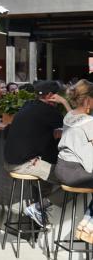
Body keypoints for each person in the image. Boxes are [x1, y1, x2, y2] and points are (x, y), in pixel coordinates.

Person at [4, 80, 71, 227]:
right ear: (51, 96)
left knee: (47, 168)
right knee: (71, 181)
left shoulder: (28, 106)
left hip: (11, 162)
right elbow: (72, 124)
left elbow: (40, 131)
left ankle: (40, 212)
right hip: (23, 165)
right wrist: (65, 103)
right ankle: (39, 207)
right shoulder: (49, 111)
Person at [55, 79, 93, 242]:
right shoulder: (90, 123)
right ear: (88, 101)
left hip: (61, 168)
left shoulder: (69, 116)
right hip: (76, 173)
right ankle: (89, 222)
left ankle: (88, 220)